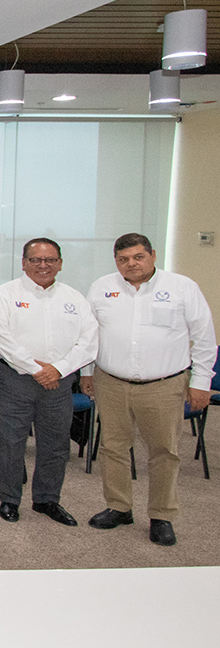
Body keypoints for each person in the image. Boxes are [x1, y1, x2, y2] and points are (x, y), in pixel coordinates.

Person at [82, 233, 216, 546]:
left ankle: (161, 515)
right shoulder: (101, 287)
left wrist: (201, 383)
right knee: (113, 448)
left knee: (164, 452)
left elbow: (204, 338)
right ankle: (119, 507)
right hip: (111, 382)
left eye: (138, 257)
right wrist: (87, 372)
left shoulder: (182, 287)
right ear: (116, 261)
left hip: (164, 385)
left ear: (153, 255)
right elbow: (88, 335)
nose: (131, 264)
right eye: (123, 259)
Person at [0, 238, 97, 526]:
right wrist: (37, 369)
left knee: (56, 444)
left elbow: (88, 342)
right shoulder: (5, 294)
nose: (43, 265)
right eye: (35, 260)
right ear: (24, 263)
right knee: (10, 443)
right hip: (14, 380)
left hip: (58, 383)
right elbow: (0, 338)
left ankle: (47, 499)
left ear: (60, 264)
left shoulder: (74, 299)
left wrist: (58, 370)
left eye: (50, 260)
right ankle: (10, 499)